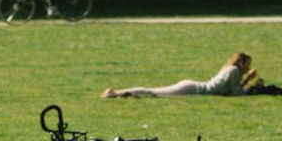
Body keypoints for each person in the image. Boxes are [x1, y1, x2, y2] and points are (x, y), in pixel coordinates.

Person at [102, 52, 262, 98]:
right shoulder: (233, 71)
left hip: (192, 86)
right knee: (153, 93)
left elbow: (230, 90)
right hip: (193, 89)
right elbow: (236, 93)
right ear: (241, 63)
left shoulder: (231, 70)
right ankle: (115, 93)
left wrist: (247, 80)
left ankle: (118, 93)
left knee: (153, 92)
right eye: (247, 64)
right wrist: (253, 86)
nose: (248, 68)